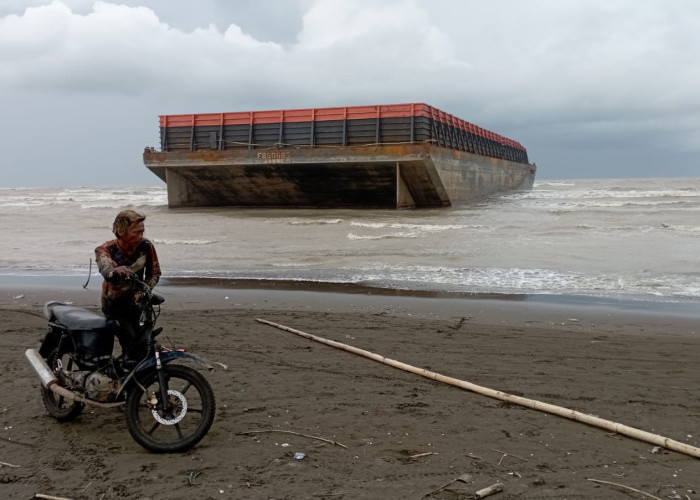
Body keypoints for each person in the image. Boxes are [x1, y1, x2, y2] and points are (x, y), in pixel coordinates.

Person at [95, 209, 161, 362]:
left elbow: (154, 273)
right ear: (120, 231)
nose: (140, 236)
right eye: (135, 232)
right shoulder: (105, 249)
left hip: (139, 303)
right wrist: (115, 271)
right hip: (114, 304)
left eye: (142, 232)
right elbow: (106, 268)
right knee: (130, 341)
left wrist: (143, 290)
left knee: (146, 342)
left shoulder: (146, 246)